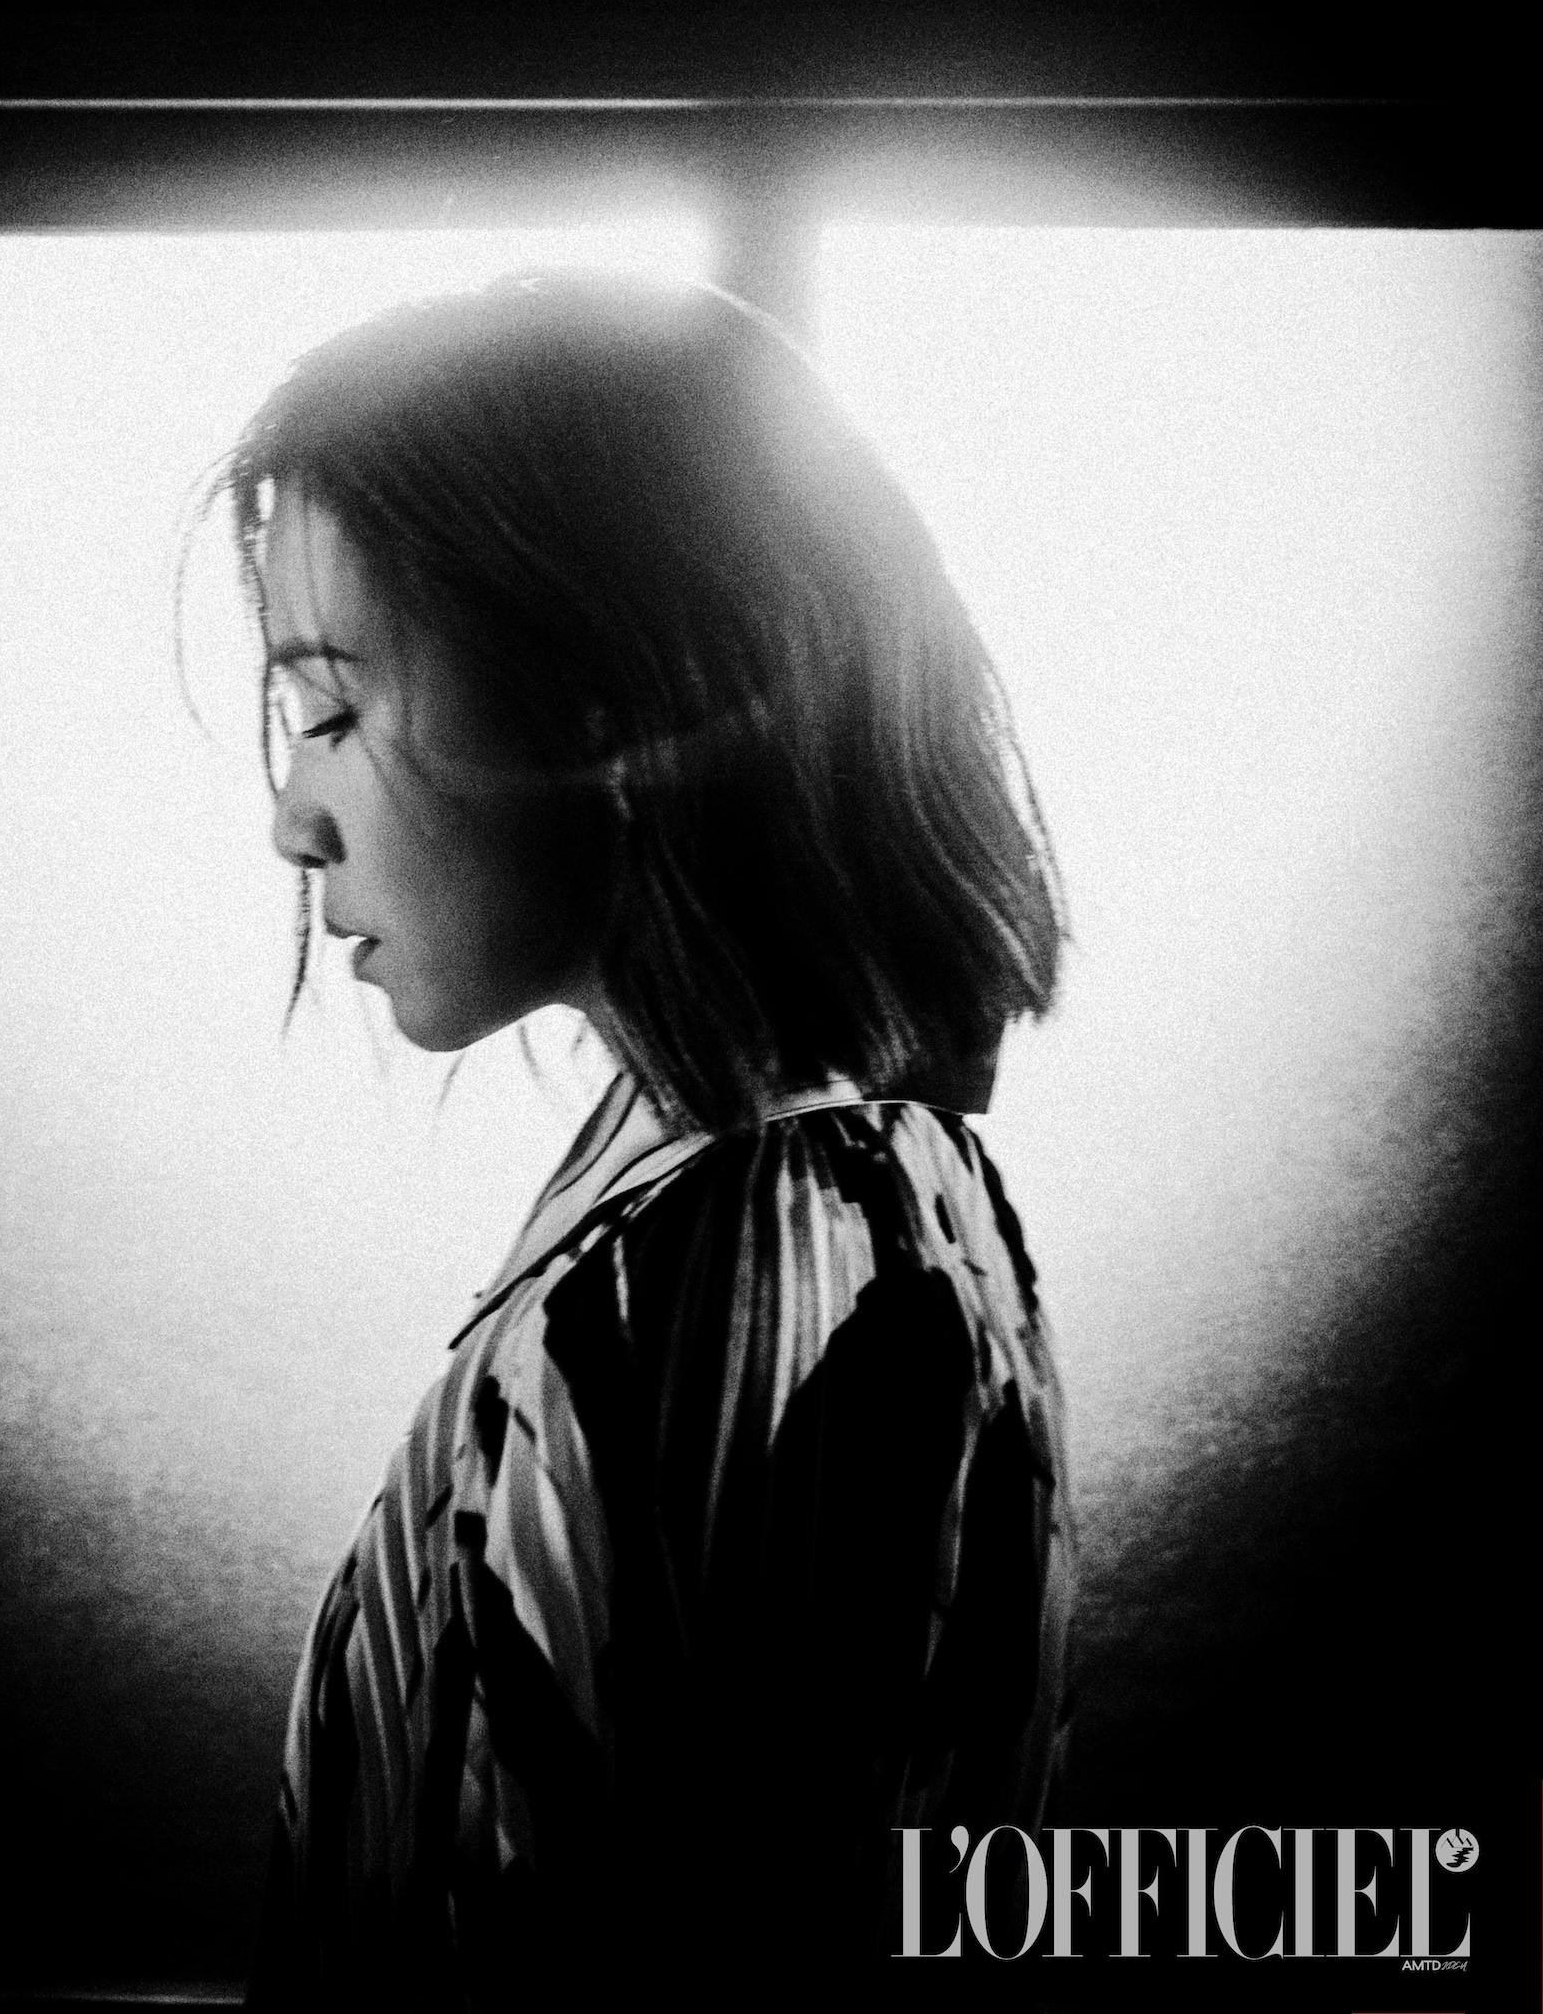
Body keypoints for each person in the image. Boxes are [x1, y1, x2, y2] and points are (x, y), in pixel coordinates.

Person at [224, 273, 1074, 2008]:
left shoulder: (747, 1254)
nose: (293, 820)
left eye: (331, 712)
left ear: (613, 692)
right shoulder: (777, 1202)